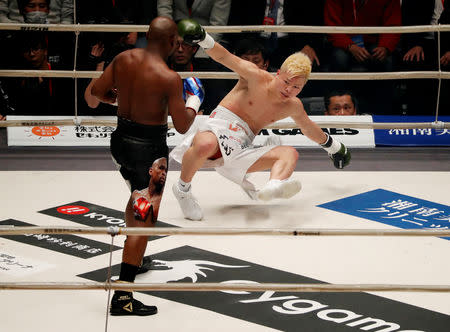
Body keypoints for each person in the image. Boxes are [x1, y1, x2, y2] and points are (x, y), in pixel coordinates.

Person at [170, 19, 351, 221]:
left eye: (296, 87)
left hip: (242, 147)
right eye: (286, 82)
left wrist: (334, 147)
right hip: (218, 129)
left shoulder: (293, 105)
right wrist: (204, 38)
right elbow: (224, 56)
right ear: (278, 73)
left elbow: (308, 129)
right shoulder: (255, 76)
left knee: (290, 153)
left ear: (303, 86)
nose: (288, 90)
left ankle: (274, 185)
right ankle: (183, 189)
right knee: (205, 143)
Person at [91, 16, 196, 316]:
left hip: (120, 142)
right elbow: (183, 124)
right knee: (142, 223)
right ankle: (123, 297)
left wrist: (124, 100)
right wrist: (194, 101)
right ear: (173, 41)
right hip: (149, 154)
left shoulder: (124, 58)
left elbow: (97, 93)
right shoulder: (168, 77)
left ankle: (133, 258)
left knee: (135, 206)